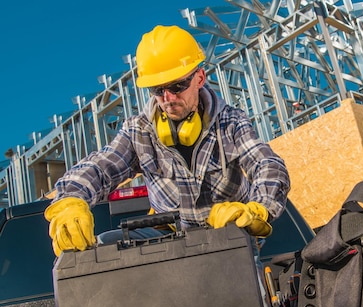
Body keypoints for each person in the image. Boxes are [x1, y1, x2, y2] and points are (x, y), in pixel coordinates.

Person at [44, 25, 290, 254]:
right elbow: (99, 168)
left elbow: (267, 164)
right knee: (108, 245)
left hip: (230, 243)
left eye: (177, 85)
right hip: (172, 248)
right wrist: (71, 200)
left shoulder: (231, 123)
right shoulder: (139, 132)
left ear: (200, 78)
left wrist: (259, 208)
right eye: (158, 90)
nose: (168, 98)